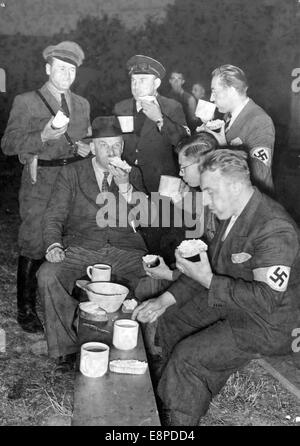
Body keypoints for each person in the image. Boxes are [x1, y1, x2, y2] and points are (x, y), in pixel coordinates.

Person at [133, 149, 300, 426]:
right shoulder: (235, 213)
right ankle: (169, 393)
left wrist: (208, 281)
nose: (206, 201)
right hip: (238, 302)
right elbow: (209, 266)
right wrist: (165, 299)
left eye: (210, 191)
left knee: (189, 357)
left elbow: (265, 299)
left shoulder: (274, 227)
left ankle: (179, 421)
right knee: (172, 318)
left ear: (235, 186)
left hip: (269, 324)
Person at [37, 116, 151, 371]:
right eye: (104, 145)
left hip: (126, 249)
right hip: (82, 247)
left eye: (117, 145)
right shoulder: (72, 173)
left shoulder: (133, 174)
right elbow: (54, 215)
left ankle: (151, 350)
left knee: (156, 278)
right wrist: (54, 245)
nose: (112, 152)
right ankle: (64, 350)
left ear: (122, 146)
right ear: (93, 147)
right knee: (48, 275)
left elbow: (143, 219)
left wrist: (125, 187)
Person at [1, 41, 91, 333]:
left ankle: (65, 301)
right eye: (61, 68)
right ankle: (26, 309)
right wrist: (43, 133)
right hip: (40, 182)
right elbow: (9, 144)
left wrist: (84, 147)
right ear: (48, 68)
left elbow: (85, 139)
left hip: (72, 180)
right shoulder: (27, 101)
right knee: (33, 239)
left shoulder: (82, 104)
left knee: (69, 237)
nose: (66, 74)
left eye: (72, 69)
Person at [113, 55, 187, 255]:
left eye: (142, 80)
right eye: (133, 81)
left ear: (157, 83)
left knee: (159, 241)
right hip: (129, 183)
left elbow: (184, 143)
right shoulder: (121, 108)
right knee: (132, 237)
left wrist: (160, 119)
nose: (136, 86)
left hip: (160, 187)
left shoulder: (172, 107)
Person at [202, 64, 275, 195]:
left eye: (214, 91)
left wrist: (224, 146)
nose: (211, 98)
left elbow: (261, 174)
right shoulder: (228, 116)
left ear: (231, 91)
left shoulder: (259, 120)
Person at [168, 70, 198, 134]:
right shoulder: (165, 97)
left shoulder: (190, 99)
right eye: (173, 78)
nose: (176, 81)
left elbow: (193, 120)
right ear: (170, 81)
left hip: (185, 134)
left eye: (179, 78)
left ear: (183, 81)